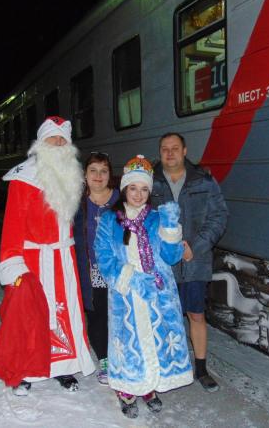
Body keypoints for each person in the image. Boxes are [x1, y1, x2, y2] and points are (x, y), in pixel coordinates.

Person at [0, 116, 95, 396]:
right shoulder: (23, 179)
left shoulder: (72, 174)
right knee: (29, 317)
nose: (58, 144)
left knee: (66, 314)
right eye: (52, 139)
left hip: (63, 258)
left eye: (63, 140)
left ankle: (62, 368)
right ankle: (26, 370)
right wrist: (14, 266)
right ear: (41, 142)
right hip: (33, 260)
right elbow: (12, 226)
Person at [94, 155, 193, 419]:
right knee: (130, 341)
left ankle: (149, 386)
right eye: (134, 188)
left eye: (144, 189)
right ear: (125, 187)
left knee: (156, 338)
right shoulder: (108, 220)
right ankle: (127, 389)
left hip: (158, 293)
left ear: (150, 191)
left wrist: (172, 228)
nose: (139, 194)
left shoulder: (157, 218)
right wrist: (131, 278)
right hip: (126, 292)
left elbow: (172, 258)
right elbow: (104, 257)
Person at [151, 132, 228, 393]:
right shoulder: (150, 181)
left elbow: (219, 216)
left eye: (175, 148)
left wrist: (195, 247)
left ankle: (202, 369)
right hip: (162, 263)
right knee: (161, 316)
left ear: (185, 151)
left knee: (196, 314)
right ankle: (163, 365)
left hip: (194, 262)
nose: (169, 153)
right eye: (164, 149)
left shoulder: (203, 180)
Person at [73, 152, 119, 385]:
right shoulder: (77, 203)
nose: (98, 176)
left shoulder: (122, 199)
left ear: (110, 175)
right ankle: (104, 359)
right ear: (85, 175)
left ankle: (122, 357)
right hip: (91, 269)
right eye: (93, 170)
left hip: (120, 269)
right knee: (97, 316)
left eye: (103, 171)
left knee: (119, 315)